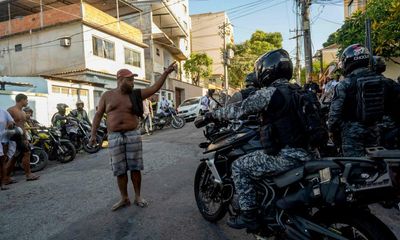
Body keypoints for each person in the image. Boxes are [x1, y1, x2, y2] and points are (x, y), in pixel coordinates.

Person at [210, 49, 313, 229]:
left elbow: (238, 109)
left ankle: (249, 216)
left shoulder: (269, 93)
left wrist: (212, 115)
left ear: (266, 71)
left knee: (239, 167)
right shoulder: (301, 91)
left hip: (288, 157)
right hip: (311, 153)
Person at [89, 63, 177, 211]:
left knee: (135, 168)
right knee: (120, 170)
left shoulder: (135, 94)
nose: (132, 83)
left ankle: (138, 196)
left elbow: (154, 88)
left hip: (132, 135)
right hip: (114, 137)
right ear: (120, 80)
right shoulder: (107, 96)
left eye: (132, 80)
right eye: (129, 80)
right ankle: (124, 198)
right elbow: (98, 115)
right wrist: (93, 134)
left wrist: (166, 73)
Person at [328, 44, 400, 157]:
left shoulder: (344, 84)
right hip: (377, 132)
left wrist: (333, 132)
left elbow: (334, 117)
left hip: (352, 135)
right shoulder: (387, 82)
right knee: (378, 165)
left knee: (354, 167)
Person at [5, 94, 39, 182]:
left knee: (15, 157)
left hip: (21, 137)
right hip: (13, 138)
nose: (27, 102)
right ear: (22, 100)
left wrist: (25, 139)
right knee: (26, 153)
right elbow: (5, 125)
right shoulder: (11, 110)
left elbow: (23, 127)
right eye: (26, 100)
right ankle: (28, 174)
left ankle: (6, 177)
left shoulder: (23, 112)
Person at [0, 108, 15, 190]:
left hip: (3, 140)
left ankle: (2, 183)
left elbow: (11, 121)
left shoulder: (3, 111)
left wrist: (10, 124)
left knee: (2, 162)